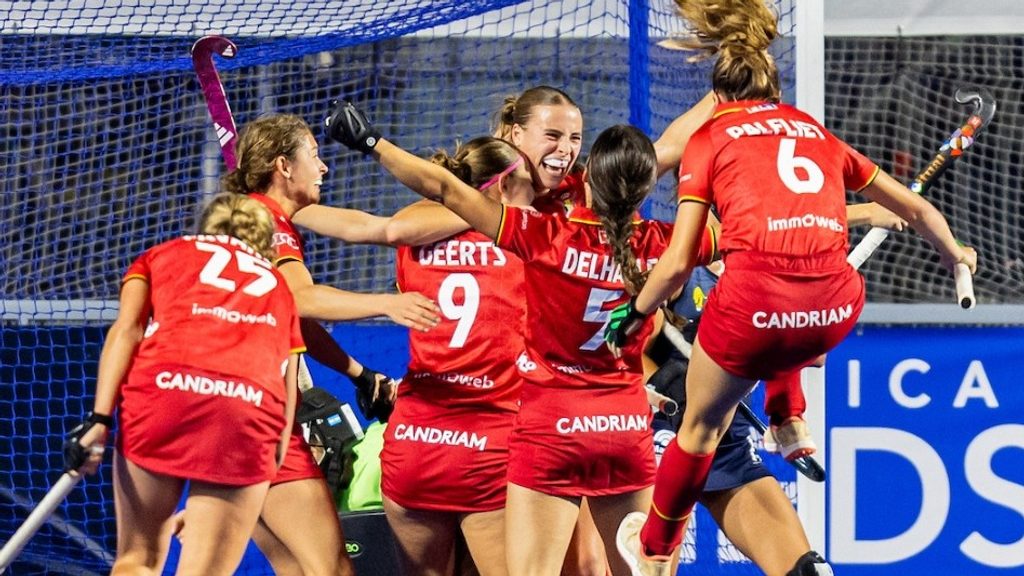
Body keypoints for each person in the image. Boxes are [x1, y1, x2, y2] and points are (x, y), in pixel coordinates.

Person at [602, 1, 977, 574]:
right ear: (774, 87)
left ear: (718, 93)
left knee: (701, 427)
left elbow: (679, 260)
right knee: (786, 305)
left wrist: (635, 311)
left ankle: (653, 549)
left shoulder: (706, 143)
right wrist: (955, 255)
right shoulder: (813, 132)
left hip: (748, 316)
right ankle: (787, 416)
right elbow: (912, 211)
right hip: (834, 311)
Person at [325, 98, 717, 576]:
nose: (566, 150)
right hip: (556, 426)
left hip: (511, 427)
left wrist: (723, 94)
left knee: (583, 564)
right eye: (553, 136)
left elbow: (402, 219)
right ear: (513, 135)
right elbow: (403, 223)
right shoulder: (551, 217)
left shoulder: (548, 216)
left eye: (575, 138)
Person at [220, 113, 441, 576]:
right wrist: (387, 303)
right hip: (256, 420)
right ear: (284, 166)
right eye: (315, 156)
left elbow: (293, 320)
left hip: (221, 421)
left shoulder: (246, 219)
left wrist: (359, 373)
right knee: (332, 567)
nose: (323, 168)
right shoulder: (267, 222)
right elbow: (300, 299)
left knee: (294, 568)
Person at [64, 192, 303, 575]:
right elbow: (286, 380)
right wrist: (264, 465)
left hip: (163, 392)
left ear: (205, 226)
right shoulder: (280, 287)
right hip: (245, 409)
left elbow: (127, 330)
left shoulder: (161, 254)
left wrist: (99, 419)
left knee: (136, 560)